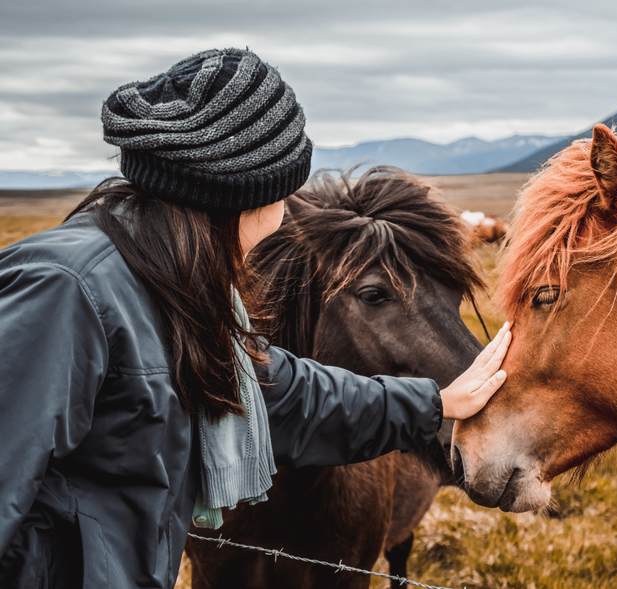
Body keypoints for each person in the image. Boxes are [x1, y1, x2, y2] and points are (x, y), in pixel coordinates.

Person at [0, 48, 511, 589]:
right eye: (283, 194)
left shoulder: (172, 287)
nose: (288, 213)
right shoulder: (67, 289)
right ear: (240, 199)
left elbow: (278, 396)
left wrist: (434, 402)